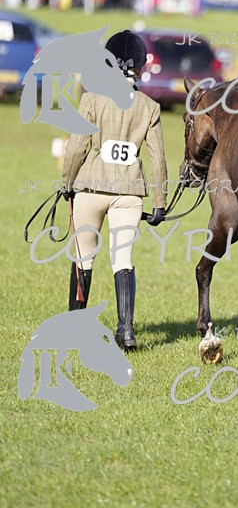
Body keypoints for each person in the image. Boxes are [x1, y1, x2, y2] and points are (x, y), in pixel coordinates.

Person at [61, 30, 168, 349]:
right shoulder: (150, 106)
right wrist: (159, 203)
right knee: (123, 258)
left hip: (91, 188)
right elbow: (158, 158)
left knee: (83, 256)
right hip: (129, 193)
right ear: (139, 66)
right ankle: (126, 331)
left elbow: (76, 147)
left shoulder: (92, 98)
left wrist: (66, 184)